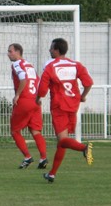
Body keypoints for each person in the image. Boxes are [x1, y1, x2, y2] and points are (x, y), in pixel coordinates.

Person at [36, 38, 94, 183]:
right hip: (73, 106)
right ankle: (52, 174)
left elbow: (42, 90)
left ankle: (84, 148)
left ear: (56, 50)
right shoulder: (76, 65)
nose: (49, 50)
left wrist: (38, 98)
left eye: (51, 48)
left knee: (63, 140)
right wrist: (82, 96)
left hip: (59, 107)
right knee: (61, 141)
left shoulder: (50, 67)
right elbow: (89, 83)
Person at [7, 43, 48, 169]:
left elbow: (23, 79)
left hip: (24, 101)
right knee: (35, 131)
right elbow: (39, 81)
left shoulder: (16, 64)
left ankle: (27, 157)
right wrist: (38, 98)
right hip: (35, 102)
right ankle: (43, 158)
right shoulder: (29, 65)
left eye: (10, 51)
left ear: (18, 52)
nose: (8, 54)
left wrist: (17, 95)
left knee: (15, 131)